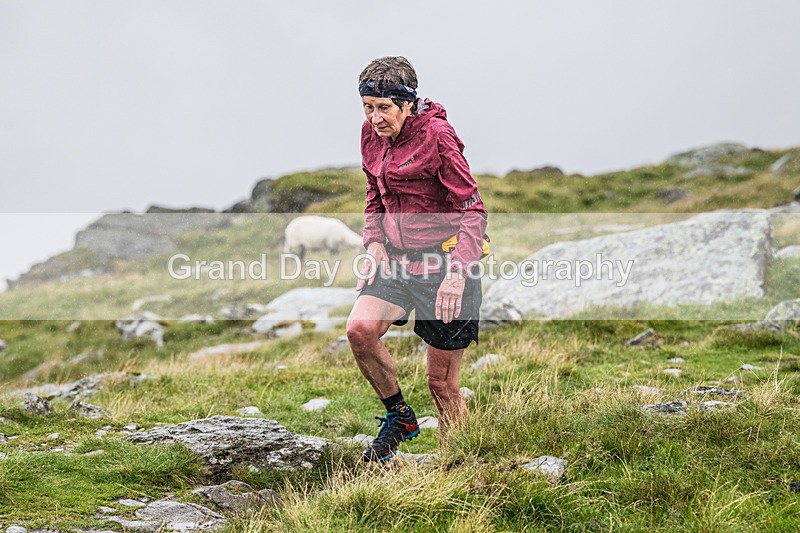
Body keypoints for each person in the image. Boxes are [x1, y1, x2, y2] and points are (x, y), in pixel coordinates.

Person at [346, 56, 488, 462]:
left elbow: (473, 211)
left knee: (441, 383)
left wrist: (457, 274)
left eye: (383, 107)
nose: (374, 118)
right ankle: (400, 417)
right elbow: (375, 191)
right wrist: (373, 242)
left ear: (407, 104)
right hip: (396, 260)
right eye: (367, 107)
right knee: (359, 330)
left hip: (446, 263)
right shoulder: (370, 135)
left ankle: (455, 463)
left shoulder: (438, 137)